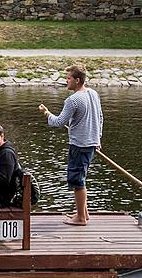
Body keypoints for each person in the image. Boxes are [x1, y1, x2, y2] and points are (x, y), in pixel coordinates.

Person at [39, 64, 104, 226]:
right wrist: (98, 138)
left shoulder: (73, 100)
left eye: (68, 78)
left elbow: (59, 122)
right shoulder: (93, 94)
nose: (65, 81)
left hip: (80, 145)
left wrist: (46, 113)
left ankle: (81, 218)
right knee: (81, 177)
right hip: (91, 143)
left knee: (77, 180)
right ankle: (84, 213)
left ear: (77, 80)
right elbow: (100, 118)